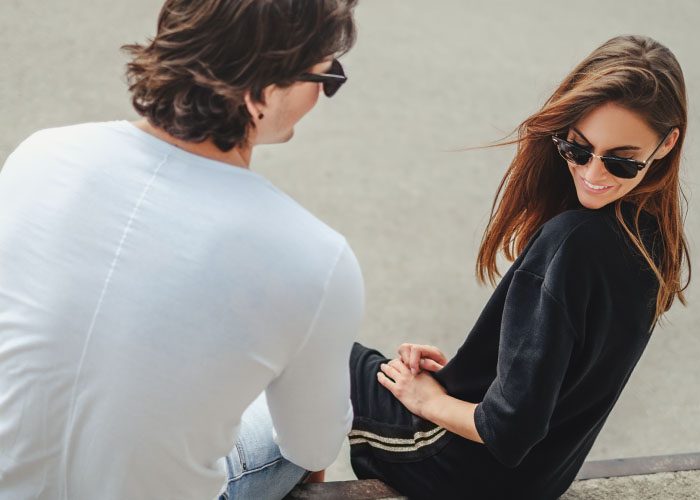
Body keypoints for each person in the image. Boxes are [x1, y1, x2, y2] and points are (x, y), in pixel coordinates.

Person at [0, 1, 362, 499]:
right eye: (326, 76)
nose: (325, 92)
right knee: (291, 415)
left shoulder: (42, 153)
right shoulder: (316, 257)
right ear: (260, 93)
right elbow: (312, 448)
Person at [348, 35, 690, 499]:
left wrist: (430, 399)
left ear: (667, 142)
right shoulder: (654, 242)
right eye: (577, 149)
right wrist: (471, 372)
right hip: (538, 481)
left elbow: (508, 429)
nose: (593, 174)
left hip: (461, 470)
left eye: (621, 162)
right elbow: (553, 383)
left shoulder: (571, 244)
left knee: (325, 356)